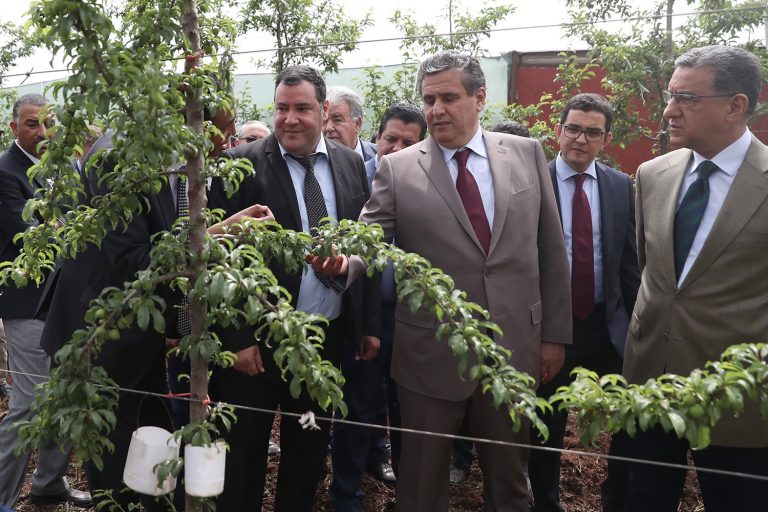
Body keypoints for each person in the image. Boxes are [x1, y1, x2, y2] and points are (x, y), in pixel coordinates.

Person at [321, 51, 572, 511]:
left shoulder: (525, 153)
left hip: (513, 345)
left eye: (449, 98)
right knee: (420, 484)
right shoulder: (399, 168)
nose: (436, 110)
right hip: (430, 352)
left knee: (510, 483)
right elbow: (368, 237)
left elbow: (551, 250)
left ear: (480, 98)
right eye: (429, 99)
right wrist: (344, 261)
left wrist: (554, 335)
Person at [39, 102, 267, 510]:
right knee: (115, 469)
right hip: (99, 338)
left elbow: (163, 244)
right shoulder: (119, 159)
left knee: (154, 455)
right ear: (192, 118)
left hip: (136, 335)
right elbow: (135, 261)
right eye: (223, 130)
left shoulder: (167, 156)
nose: (226, 144)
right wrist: (221, 234)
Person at [207, 65, 380, 512]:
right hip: (255, 346)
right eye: (281, 108)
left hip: (322, 340)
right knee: (241, 455)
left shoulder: (350, 163)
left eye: (302, 108)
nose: (290, 119)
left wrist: (365, 323)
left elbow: (364, 245)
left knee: (307, 450)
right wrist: (236, 340)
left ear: (324, 110)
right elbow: (217, 263)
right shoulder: (239, 166)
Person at [624, 45, 768, 511]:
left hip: (738, 399)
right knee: (644, 500)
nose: (669, 111)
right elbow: (653, 275)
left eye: (686, 98)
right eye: (671, 96)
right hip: (650, 385)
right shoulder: (652, 174)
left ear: (735, 105)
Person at [528, 93, 640, 512]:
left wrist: (637, 325)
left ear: (606, 139)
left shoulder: (619, 185)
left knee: (630, 417)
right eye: (573, 128)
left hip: (608, 323)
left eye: (593, 132)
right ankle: (545, 502)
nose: (580, 139)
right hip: (553, 327)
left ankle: (617, 499)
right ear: (558, 131)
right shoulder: (533, 182)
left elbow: (628, 262)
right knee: (546, 421)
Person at [330, 102, 427, 511]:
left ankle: (410, 493)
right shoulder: (354, 181)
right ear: (376, 137)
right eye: (391, 139)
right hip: (363, 317)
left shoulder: (431, 187)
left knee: (410, 410)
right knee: (358, 407)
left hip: (415, 318)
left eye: (409, 142)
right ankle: (346, 495)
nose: (397, 148)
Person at [0, 93, 92, 509]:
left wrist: (63, 224)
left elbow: (82, 220)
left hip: (68, 300)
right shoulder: (5, 172)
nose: (42, 132)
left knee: (69, 394)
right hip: (27, 304)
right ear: (14, 128)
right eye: (32, 123)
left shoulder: (67, 167)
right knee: (30, 403)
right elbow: (32, 235)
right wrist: (66, 227)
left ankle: (49, 483)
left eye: (49, 123)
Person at [449, 117, 534, 487]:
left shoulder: (530, 168)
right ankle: (461, 459)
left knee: (507, 427)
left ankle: (515, 479)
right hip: (451, 325)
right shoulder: (425, 169)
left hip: (513, 327)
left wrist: (552, 333)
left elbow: (546, 251)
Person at [323, 85, 377, 162]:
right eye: (324, 121)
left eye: (337, 120)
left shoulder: (380, 157)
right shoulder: (310, 161)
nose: (329, 128)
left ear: (358, 124)